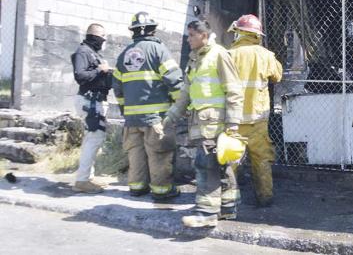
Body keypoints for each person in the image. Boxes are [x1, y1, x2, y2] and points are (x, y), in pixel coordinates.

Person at [166, 20, 244, 228]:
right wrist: (172, 115)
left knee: (205, 164)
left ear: (203, 35)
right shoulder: (195, 59)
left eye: (191, 35)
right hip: (202, 122)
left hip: (215, 123)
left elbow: (234, 90)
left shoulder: (219, 55)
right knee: (221, 165)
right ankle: (228, 208)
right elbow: (186, 93)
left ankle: (207, 213)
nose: (188, 39)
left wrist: (233, 123)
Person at [112, 12, 183, 200]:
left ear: (133, 31)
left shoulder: (123, 55)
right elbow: (175, 81)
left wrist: (125, 112)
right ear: (153, 30)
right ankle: (162, 190)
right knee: (159, 153)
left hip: (131, 119)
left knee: (136, 154)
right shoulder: (159, 50)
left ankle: (137, 187)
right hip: (155, 117)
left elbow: (118, 89)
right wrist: (180, 107)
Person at [226, 14, 283, 207]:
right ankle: (265, 198)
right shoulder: (265, 55)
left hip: (233, 120)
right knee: (261, 160)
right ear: (257, 34)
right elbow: (277, 76)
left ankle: (229, 201)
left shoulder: (228, 55)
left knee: (230, 161)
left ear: (239, 33)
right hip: (257, 119)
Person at [71, 23, 112, 193]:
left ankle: (88, 177)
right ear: (95, 36)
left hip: (94, 101)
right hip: (90, 101)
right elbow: (80, 76)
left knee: (92, 139)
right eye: (102, 37)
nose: (103, 40)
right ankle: (82, 180)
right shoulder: (83, 51)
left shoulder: (92, 52)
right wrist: (100, 70)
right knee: (94, 138)